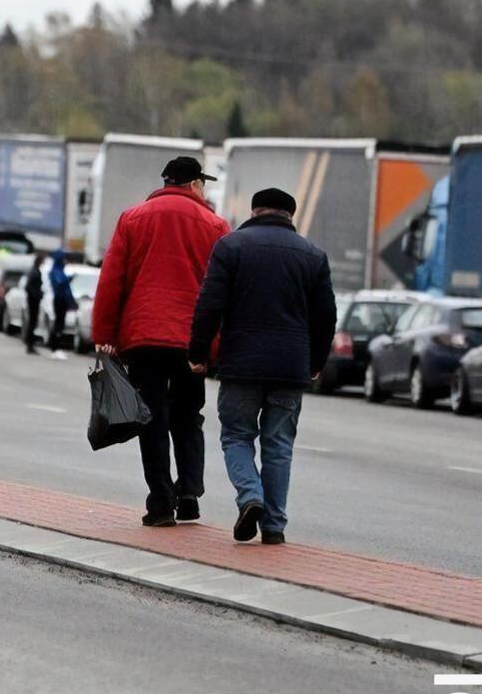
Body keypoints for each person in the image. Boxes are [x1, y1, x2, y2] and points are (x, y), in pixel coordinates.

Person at [188, 187, 337, 545]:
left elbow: (210, 304)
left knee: (237, 435)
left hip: (242, 363)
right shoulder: (313, 255)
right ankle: (274, 526)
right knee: (279, 444)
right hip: (290, 366)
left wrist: (198, 352)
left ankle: (250, 495)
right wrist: (315, 362)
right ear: (291, 216)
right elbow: (326, 317)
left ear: (255, 211)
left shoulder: (231, 247)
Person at [92, 157, 230, 527]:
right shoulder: (216, 226)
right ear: (194, 185)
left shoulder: (132, 218)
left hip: (143, 338)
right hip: (191, 341)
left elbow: (112, 280)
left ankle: (160, 502)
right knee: (188, 416)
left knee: (150, 418)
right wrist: (215, 346)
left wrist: (105, 335)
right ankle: (189, 493)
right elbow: (220, 291)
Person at [46, 250, 77, 359]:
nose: (65, 261)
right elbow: (59, 283)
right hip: (59, 300)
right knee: (58, 324)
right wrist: (68, 279)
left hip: (62, 300)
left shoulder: (60, 271)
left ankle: (57, 348)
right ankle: (55, 348)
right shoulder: (55, 271)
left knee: (60, 324)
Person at [23, 253, 44, 355]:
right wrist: (37, 294)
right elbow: (29, 287)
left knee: (32, 322)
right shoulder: (35, 272)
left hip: (34, 300)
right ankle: (30, 344)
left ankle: (30, 343)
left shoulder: (34, 271)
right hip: (33, 301)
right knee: (32, 322)